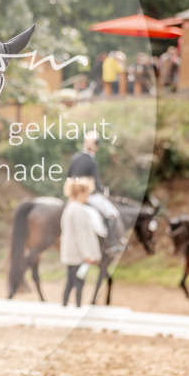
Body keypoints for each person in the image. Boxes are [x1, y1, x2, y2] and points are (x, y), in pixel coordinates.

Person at [66, 130, 122, 253]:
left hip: (72, 196)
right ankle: (112, 244)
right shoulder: (91, 161)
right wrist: (104, 190)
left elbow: (68, 176)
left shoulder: (75, 157)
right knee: (112, 214)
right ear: (96, 146)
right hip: (87, 196)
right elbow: (96, 183)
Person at [60, 176, 103, 307]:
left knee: (70, 282)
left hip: (70, 252)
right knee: (78, 283)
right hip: (77, 254)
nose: (88, 197)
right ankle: (77, 307)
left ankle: (64, 306)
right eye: (87, 193)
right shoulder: (77, 210)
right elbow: (81, 235)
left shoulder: (69, 208)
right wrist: (87, 255)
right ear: (81, 193)